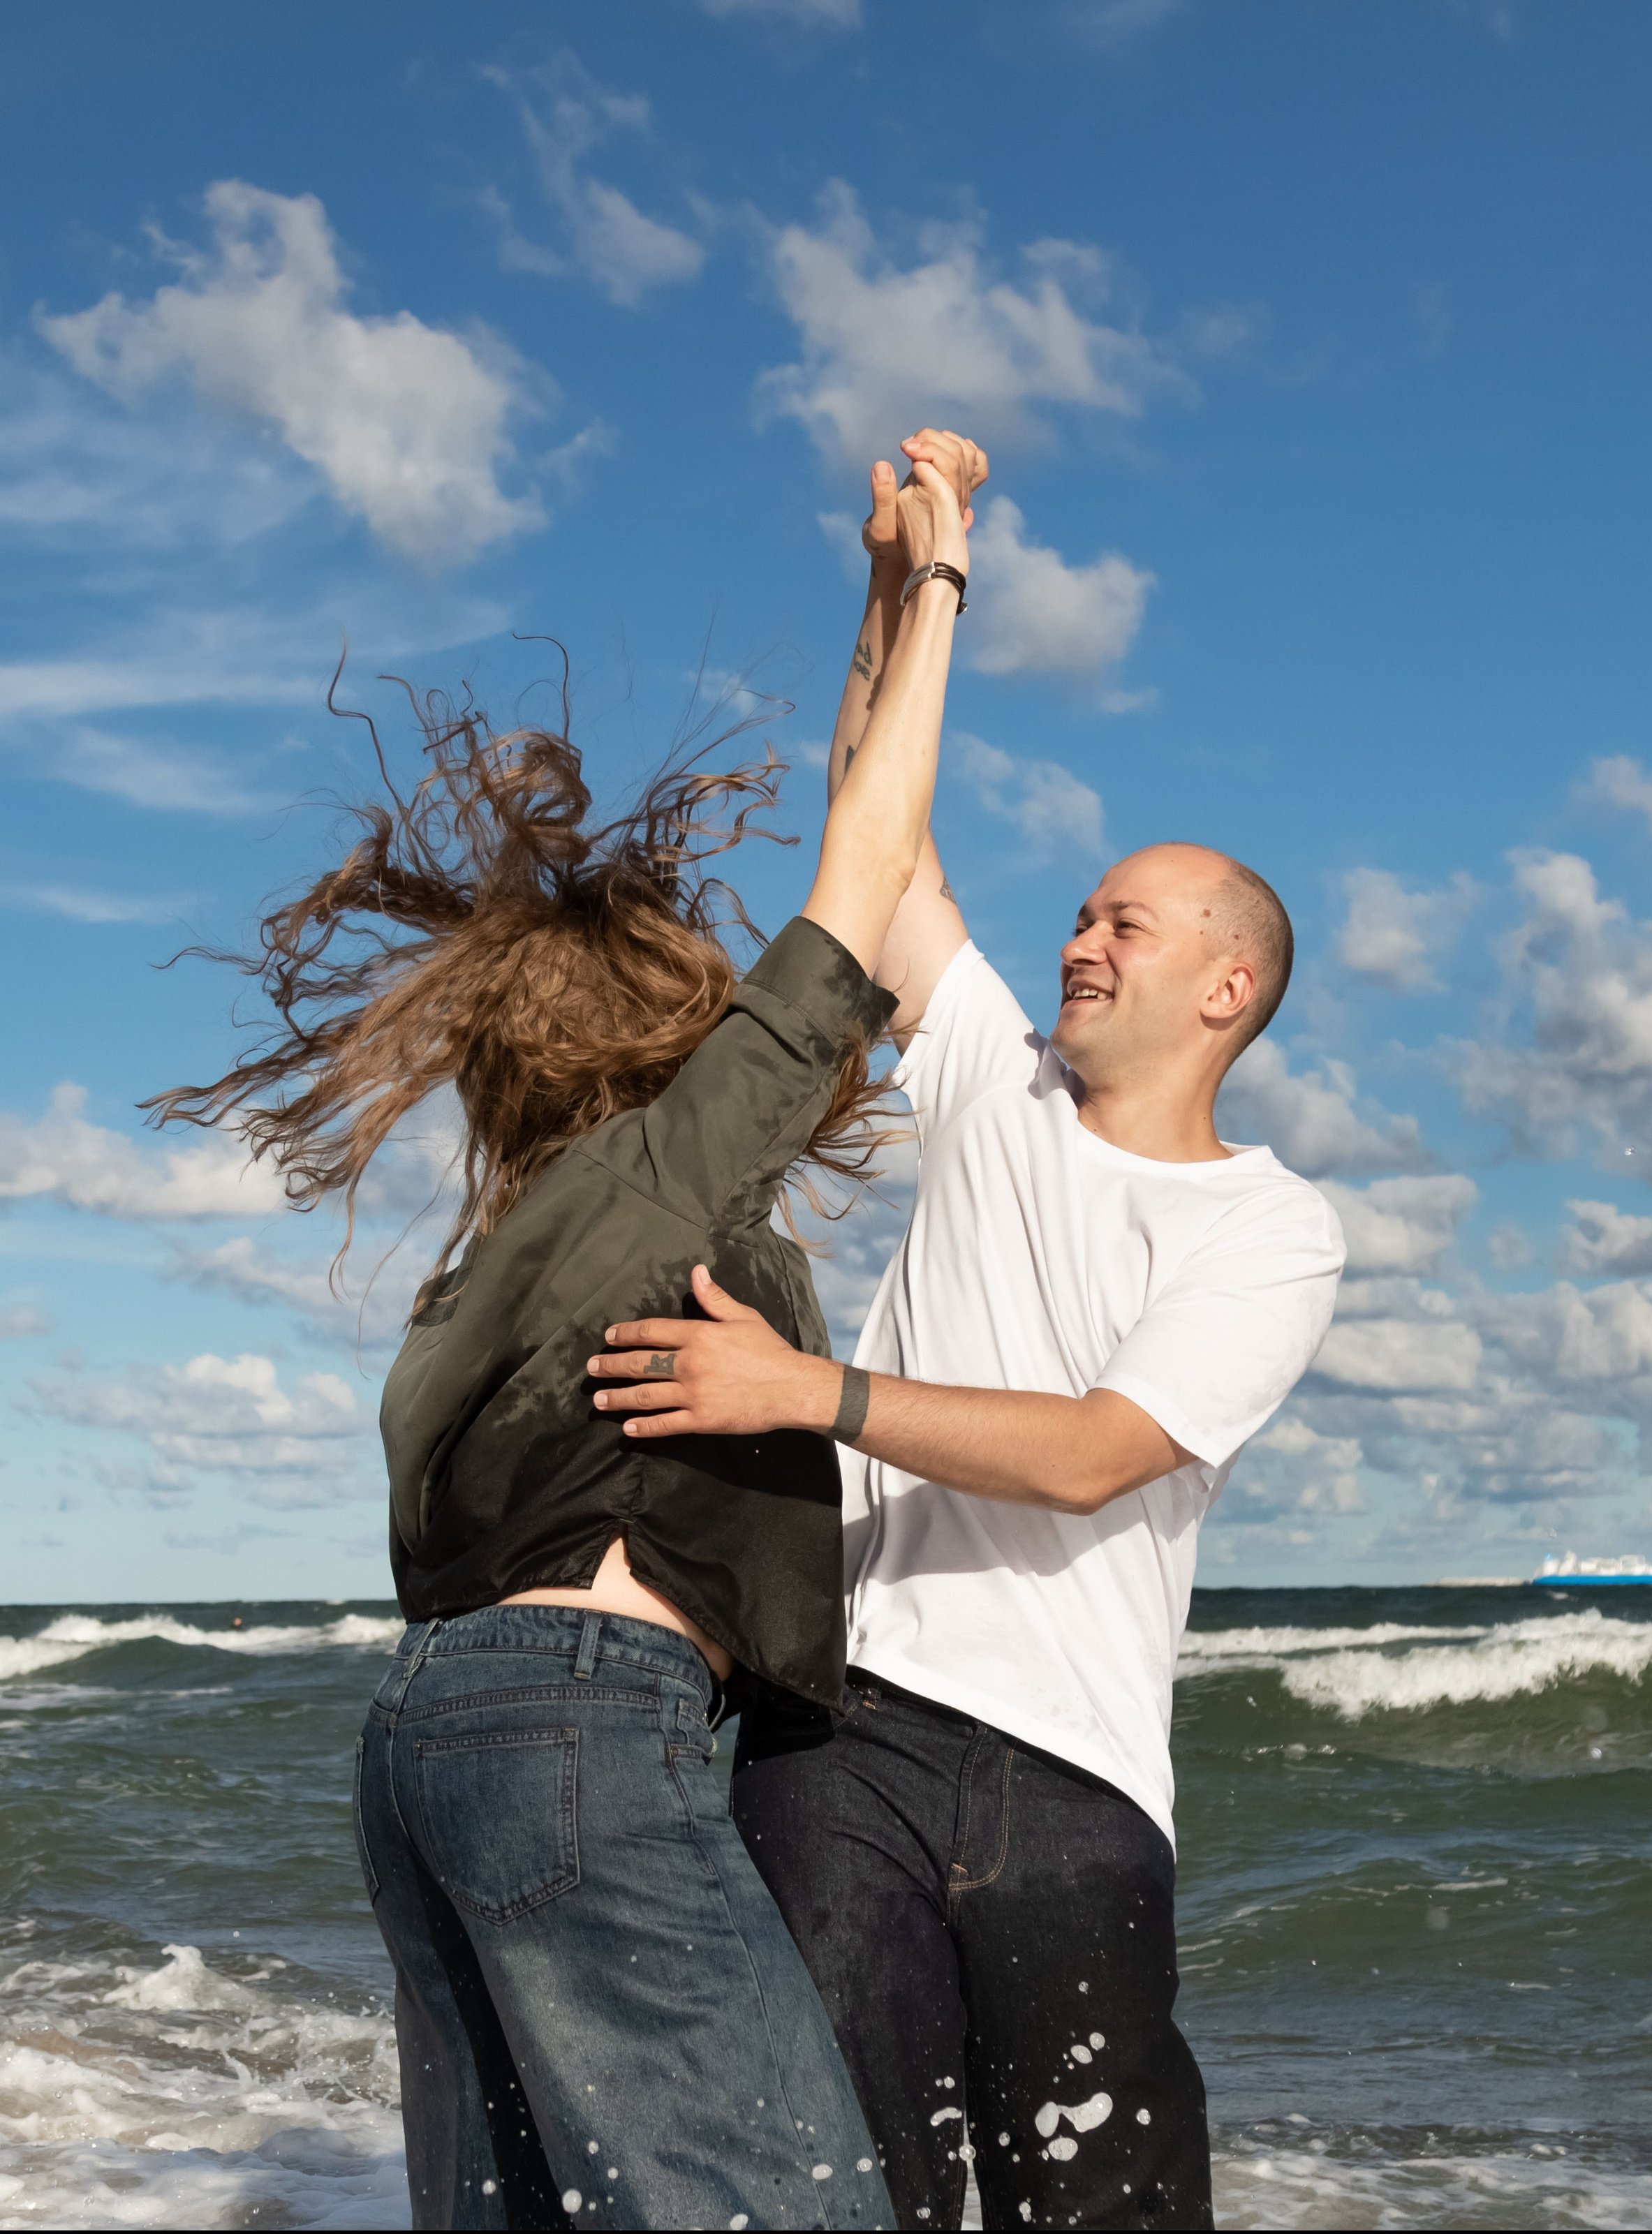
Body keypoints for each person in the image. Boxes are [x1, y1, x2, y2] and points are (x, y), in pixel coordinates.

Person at [147, 425, 987, 2232]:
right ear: (670, 1044)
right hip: (581, 1728)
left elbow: (859, 865)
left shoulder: (498, 1261)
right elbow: (866, 864)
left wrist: (868, 593)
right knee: (790, 2210)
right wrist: (941, 580)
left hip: (435, 1745)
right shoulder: (653, 1180)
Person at [587, 522, 1348, 2230]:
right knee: (860, 2197)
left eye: (1122, 924)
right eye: (1075, 915)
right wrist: (909, 585)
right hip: (837, 1739)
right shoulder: (994, 1084)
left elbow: (1094, 1455)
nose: (1078, 940)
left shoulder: (1271, 1228)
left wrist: (809, 1392)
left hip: (1070, 1781)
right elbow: (879, 829)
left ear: (1225, 986)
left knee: (1110, 2208)